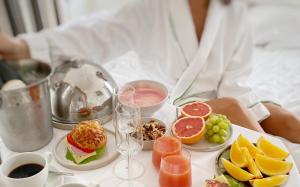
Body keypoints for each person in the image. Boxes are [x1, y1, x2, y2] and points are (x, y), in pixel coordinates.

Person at [0, 0, 299, 143]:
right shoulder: (152, 8)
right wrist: (22, 46)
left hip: (228, 97)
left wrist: (247, 110)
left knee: (288, 122)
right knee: (236, 108)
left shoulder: (233, 14)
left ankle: (273, 158)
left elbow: (237, 83)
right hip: (174, 104)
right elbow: (95, 32)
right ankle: (279, 175)